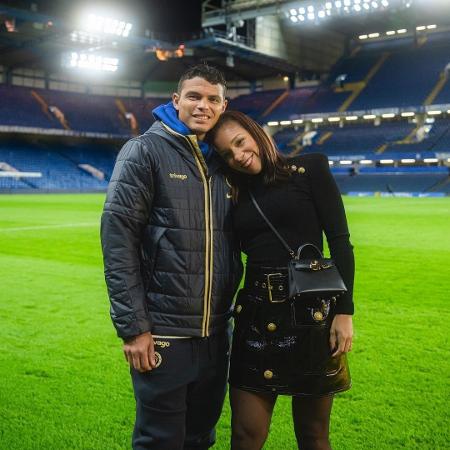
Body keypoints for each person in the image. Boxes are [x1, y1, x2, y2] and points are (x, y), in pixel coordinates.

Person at [100, 65, 242, 450]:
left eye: (212, 99)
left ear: (223, 105)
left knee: (200, 436)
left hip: (216, 332)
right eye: (194, 96)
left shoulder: (223, 161)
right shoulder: (144, 150)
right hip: (163, 334)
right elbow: (118, 242)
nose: (203, 105)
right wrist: (133, 328)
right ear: (176, 100)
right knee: (160, 440)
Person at [208, 110, 355, 450]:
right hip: (256, 317)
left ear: (256, 133)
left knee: (313, 436)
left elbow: (340, 242)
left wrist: (345, 312)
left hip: (312, 317)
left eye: (240, 143)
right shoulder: (233, 193)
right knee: (246, 435)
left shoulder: (311, 169)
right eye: (228, 154)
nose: (239, 156)